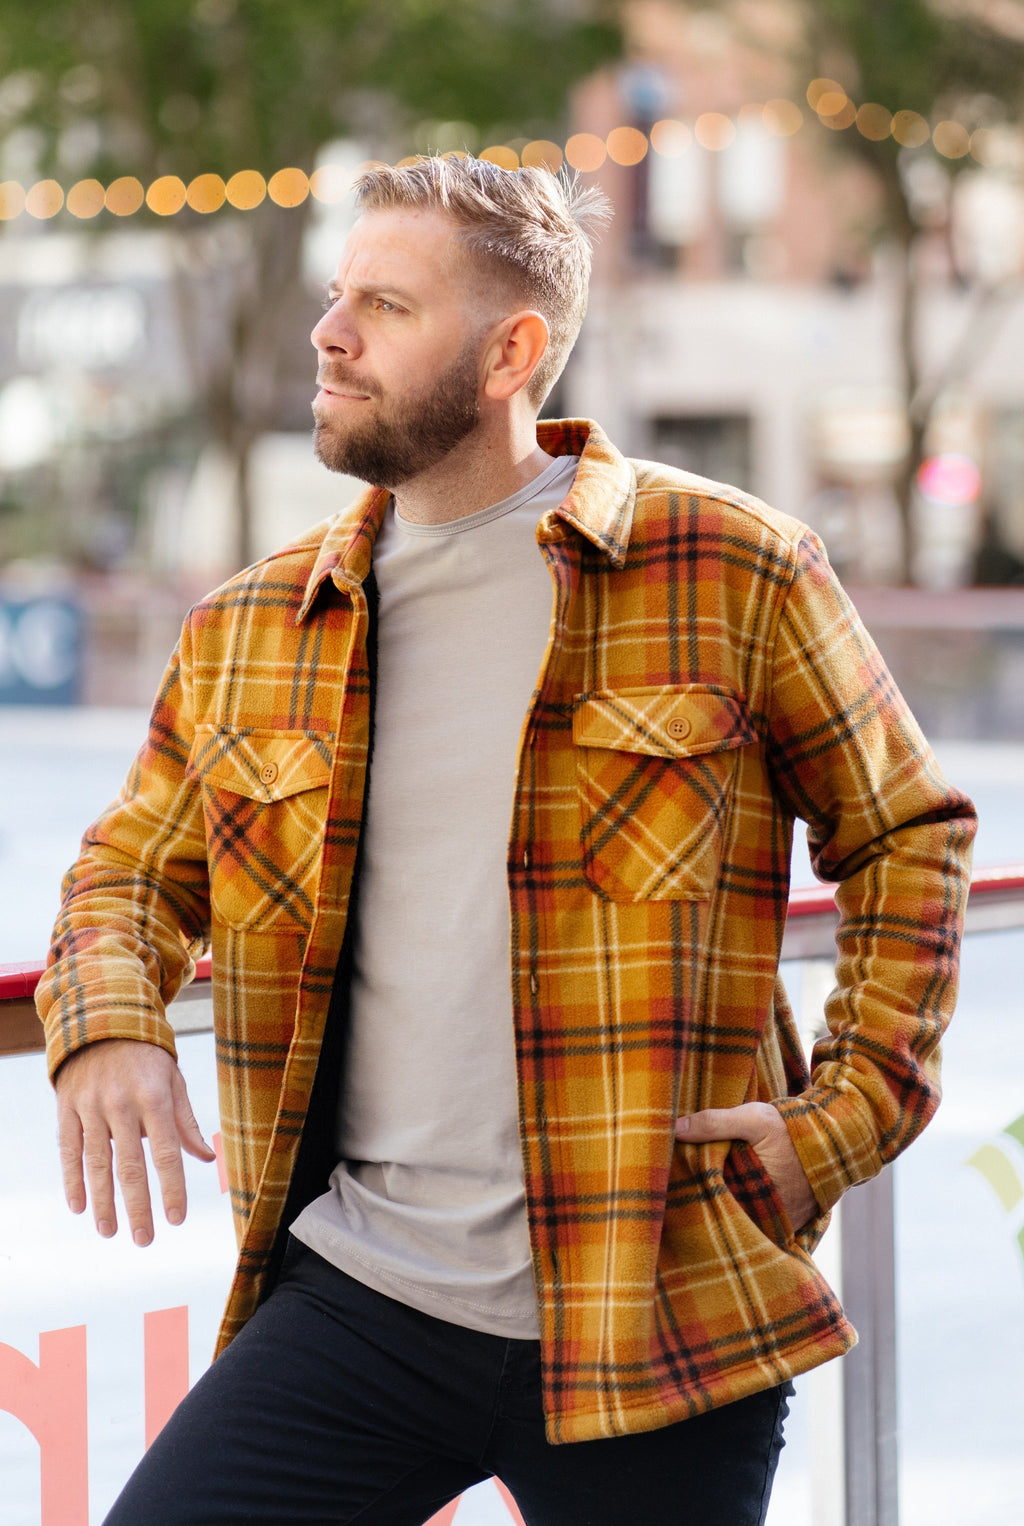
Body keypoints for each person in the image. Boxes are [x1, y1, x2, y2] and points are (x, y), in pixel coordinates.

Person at [37, 156, 976, 1526]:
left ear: (510, 353)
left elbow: (909, 833)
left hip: (661, 1309)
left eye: (385, 306)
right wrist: (107, 1021)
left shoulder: (733, 566)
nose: (329, 333)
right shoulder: (250, 628)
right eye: (337, 295)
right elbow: (127, 869)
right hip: (362, 1297)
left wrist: (841, 1119)